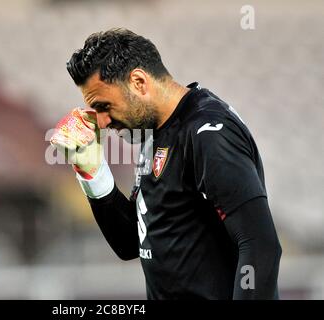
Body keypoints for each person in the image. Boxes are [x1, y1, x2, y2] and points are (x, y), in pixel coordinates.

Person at [50, 28, 282, 300]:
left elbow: (261, 246)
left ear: (138, 81)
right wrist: (93, 172)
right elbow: (131, 243)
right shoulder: (154, 133)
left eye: (104, 106)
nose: (101, 121)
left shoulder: (208, 133)